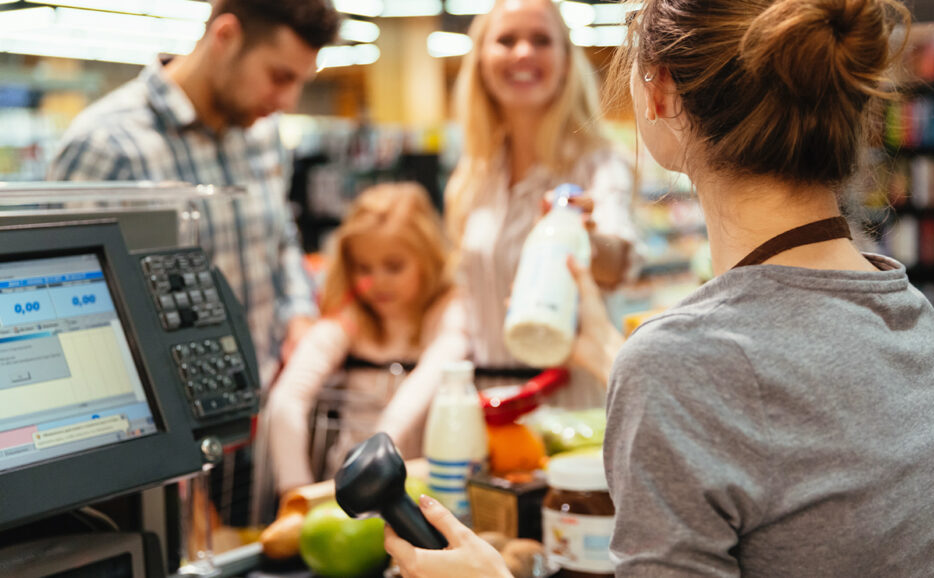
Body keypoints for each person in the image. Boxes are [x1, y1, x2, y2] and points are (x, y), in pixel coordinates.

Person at [384, 0, 934, 575]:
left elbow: (719, 388)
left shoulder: (682, 361)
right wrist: (603, 349)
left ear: (660, 92)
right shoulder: (912, 316)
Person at [47, 0, 341, 383]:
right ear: (226, 37)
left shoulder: (263, 134)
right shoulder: (106, 145)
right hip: (174, 418)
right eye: (280, 76)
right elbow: (62, 305)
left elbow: (281, 239)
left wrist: (299, 315)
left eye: (301, 82)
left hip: (267, 399)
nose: (288, 101)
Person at [445, 0, 641, 408]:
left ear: (567, 62)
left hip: (572, 405)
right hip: (490, 405)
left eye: (540, 40)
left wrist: (583, 236)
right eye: (506, 40)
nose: (523, 53)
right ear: (480, 59)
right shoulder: (472, 176)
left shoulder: (599, 162)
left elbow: (619, 260)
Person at [265, 183, 467, 493]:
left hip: (427, 489)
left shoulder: (449, 311)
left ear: (427, 257)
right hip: (350, 492)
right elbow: (286, 400)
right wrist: (295, 490)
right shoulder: (349, 320)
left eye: (394, 266)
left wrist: (381, 446)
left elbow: (439, 366)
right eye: (363, 267)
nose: (378, 282)